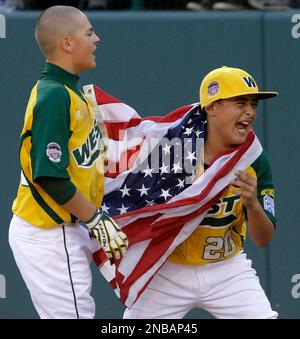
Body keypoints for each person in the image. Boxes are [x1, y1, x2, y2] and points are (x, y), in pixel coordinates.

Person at [123, 66, 278, 319]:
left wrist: (252, 203)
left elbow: (264, 239)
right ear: (212, 106)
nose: (249, 112)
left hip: (227, 269)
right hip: (168, 271)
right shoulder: (172, 150)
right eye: (240, 103)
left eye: (253, 104)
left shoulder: (254, 158)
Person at [9, 5, 128, 319]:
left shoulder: (67, 91)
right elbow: (49, 175)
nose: (97, 39)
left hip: (63, 225)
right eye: (89, 33)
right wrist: (96, 219)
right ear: (67, 43)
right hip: (49, 229)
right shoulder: (54, 96)